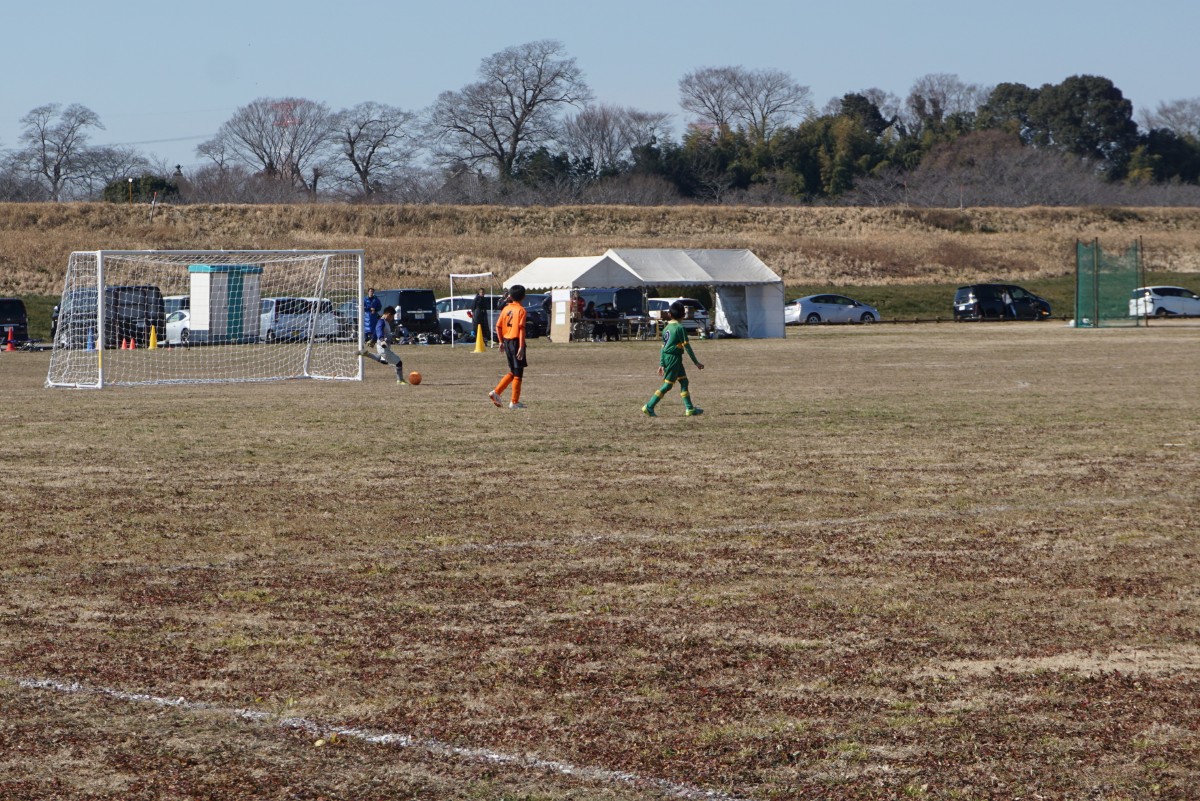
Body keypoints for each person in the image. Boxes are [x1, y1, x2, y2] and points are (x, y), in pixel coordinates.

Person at [642, 300, 704, 417]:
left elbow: (663, 347)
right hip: (673, 359)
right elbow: (687, 347)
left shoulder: (666, 328)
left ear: (669, 314)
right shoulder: (680, 328)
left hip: (671, 358)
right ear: (684, 315)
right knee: (668, 385)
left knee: (684, 381)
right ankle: (649, 406)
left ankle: (690, 409)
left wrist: (661, 363)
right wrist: (696, 362)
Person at [488, 284, 528, 409]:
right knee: (518, 372)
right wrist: (521, 346)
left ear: (510, 296)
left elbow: (498, 326)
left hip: (507, 341)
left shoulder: (505, 309)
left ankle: (497, 392)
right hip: (516, 342)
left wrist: (501, 342)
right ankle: (514, 402)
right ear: (523, 297)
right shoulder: (521, 310)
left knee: (513, 371)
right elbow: (521, 329)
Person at [359, 305, 407, 384]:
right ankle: (400, 380)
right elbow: (379, 330)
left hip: (383, 348)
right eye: (392, 316)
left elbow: (376, 331)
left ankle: (367, 354)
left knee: (384, 361)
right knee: (398, 362)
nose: (392, 319)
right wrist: (382, 340)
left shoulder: (385, 322)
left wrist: (373, 340)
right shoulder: (381, 321)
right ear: (388, 314)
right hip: (383, 348)